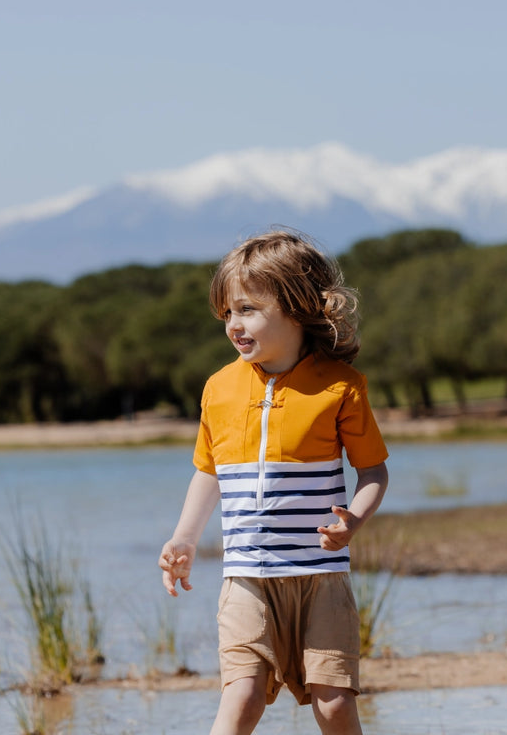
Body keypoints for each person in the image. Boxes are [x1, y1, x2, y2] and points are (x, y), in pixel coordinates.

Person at [159, 229, 389, 735]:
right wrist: (184, 537)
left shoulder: (341, 387)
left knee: (334, 705)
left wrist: (353, 519)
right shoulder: (219, 388)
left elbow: (372, 471)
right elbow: (209, 471)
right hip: (246, 581)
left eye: (247, 310)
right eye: (227, 314)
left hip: (321, 579)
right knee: (241, 699)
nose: (234, 325)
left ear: (298, 308)